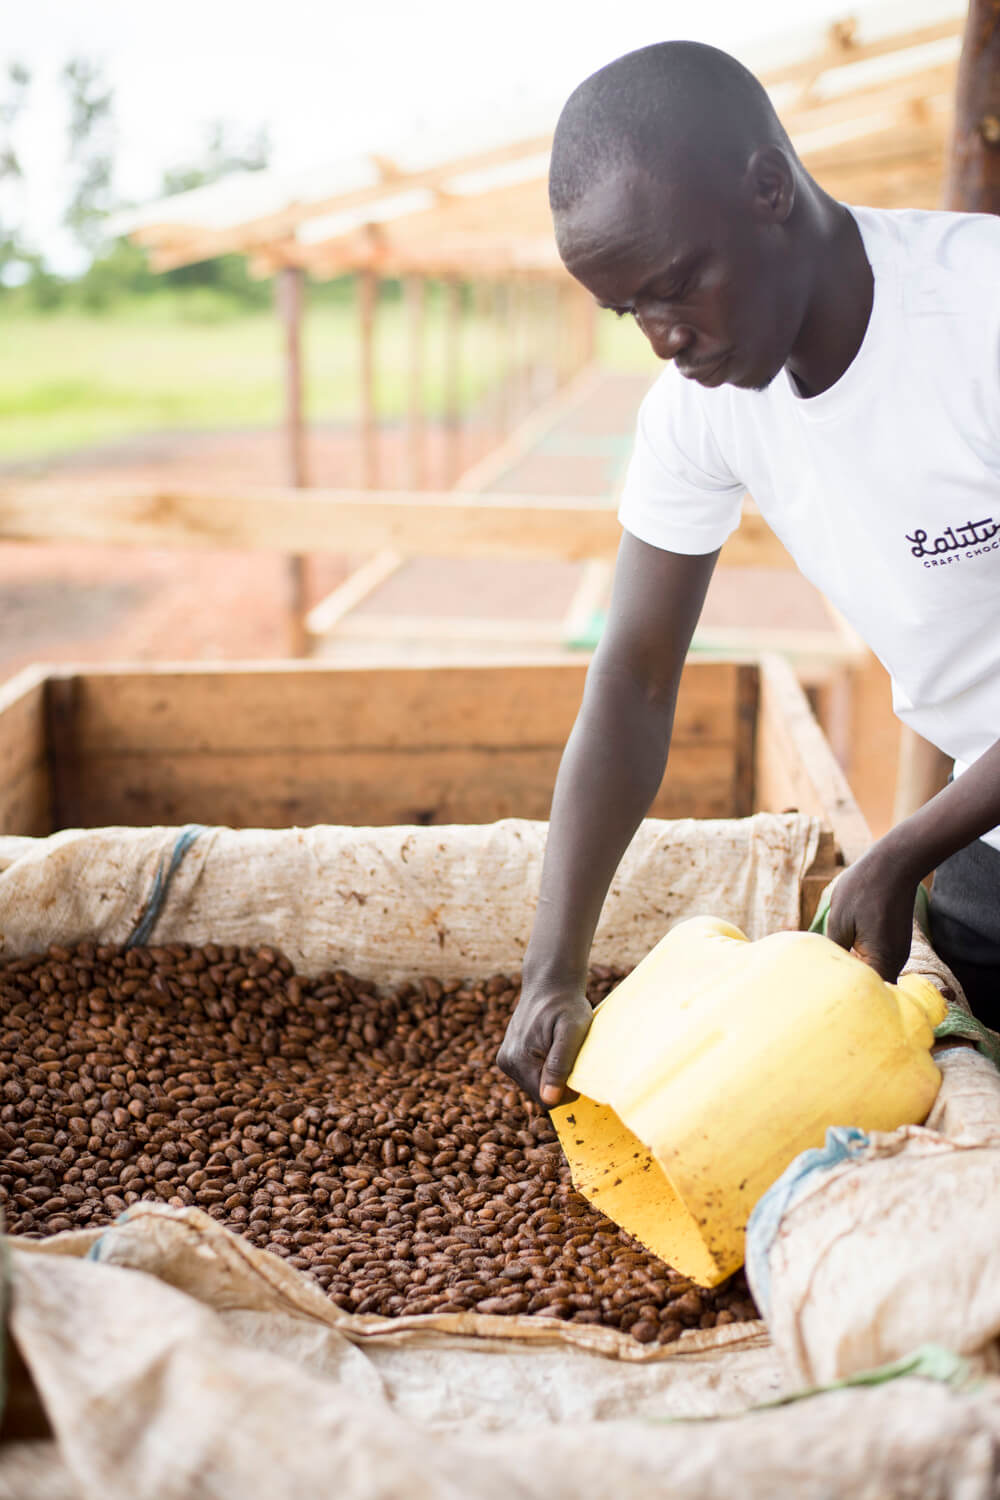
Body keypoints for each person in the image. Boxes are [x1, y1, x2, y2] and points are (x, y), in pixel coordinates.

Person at [497, 39, 1000, 1107]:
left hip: (950, 827)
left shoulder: (980, 317)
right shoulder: (699, 409)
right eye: (628, 310)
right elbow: (632, 680)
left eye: (677, 284)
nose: (665, 337)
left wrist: (904, 843)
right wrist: (553, 971)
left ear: (769, 188)